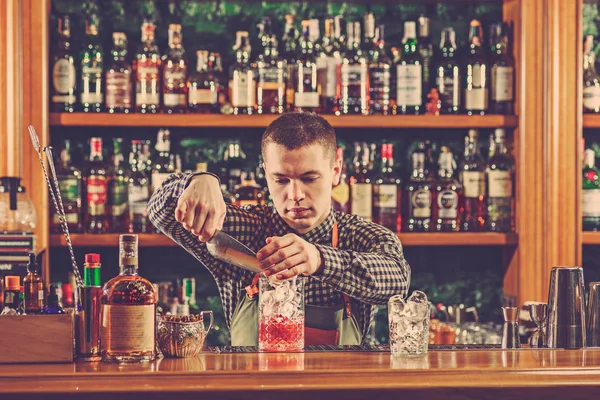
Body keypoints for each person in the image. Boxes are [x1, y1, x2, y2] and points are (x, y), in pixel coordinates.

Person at [148, 112, 411, 346]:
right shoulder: (245, 231)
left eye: (309, 178)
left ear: (336, 171)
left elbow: (398, 281)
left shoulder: (360, 236)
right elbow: (159, 211)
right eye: (281, 180)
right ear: (265, 174)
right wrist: (197, 181)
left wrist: (319, 259)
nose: (295, 194)